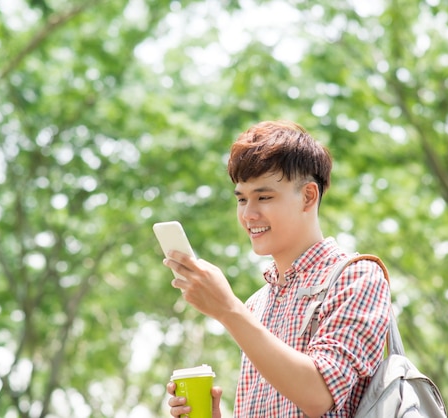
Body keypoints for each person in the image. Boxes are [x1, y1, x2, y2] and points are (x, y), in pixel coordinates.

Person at [164, 120, 391, 417]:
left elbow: (319, 395)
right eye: (242, 199)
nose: (248, 214)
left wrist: (228, 310)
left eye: (264, 197)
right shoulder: (257, 304)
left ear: (308, 196)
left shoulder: (357, 277)